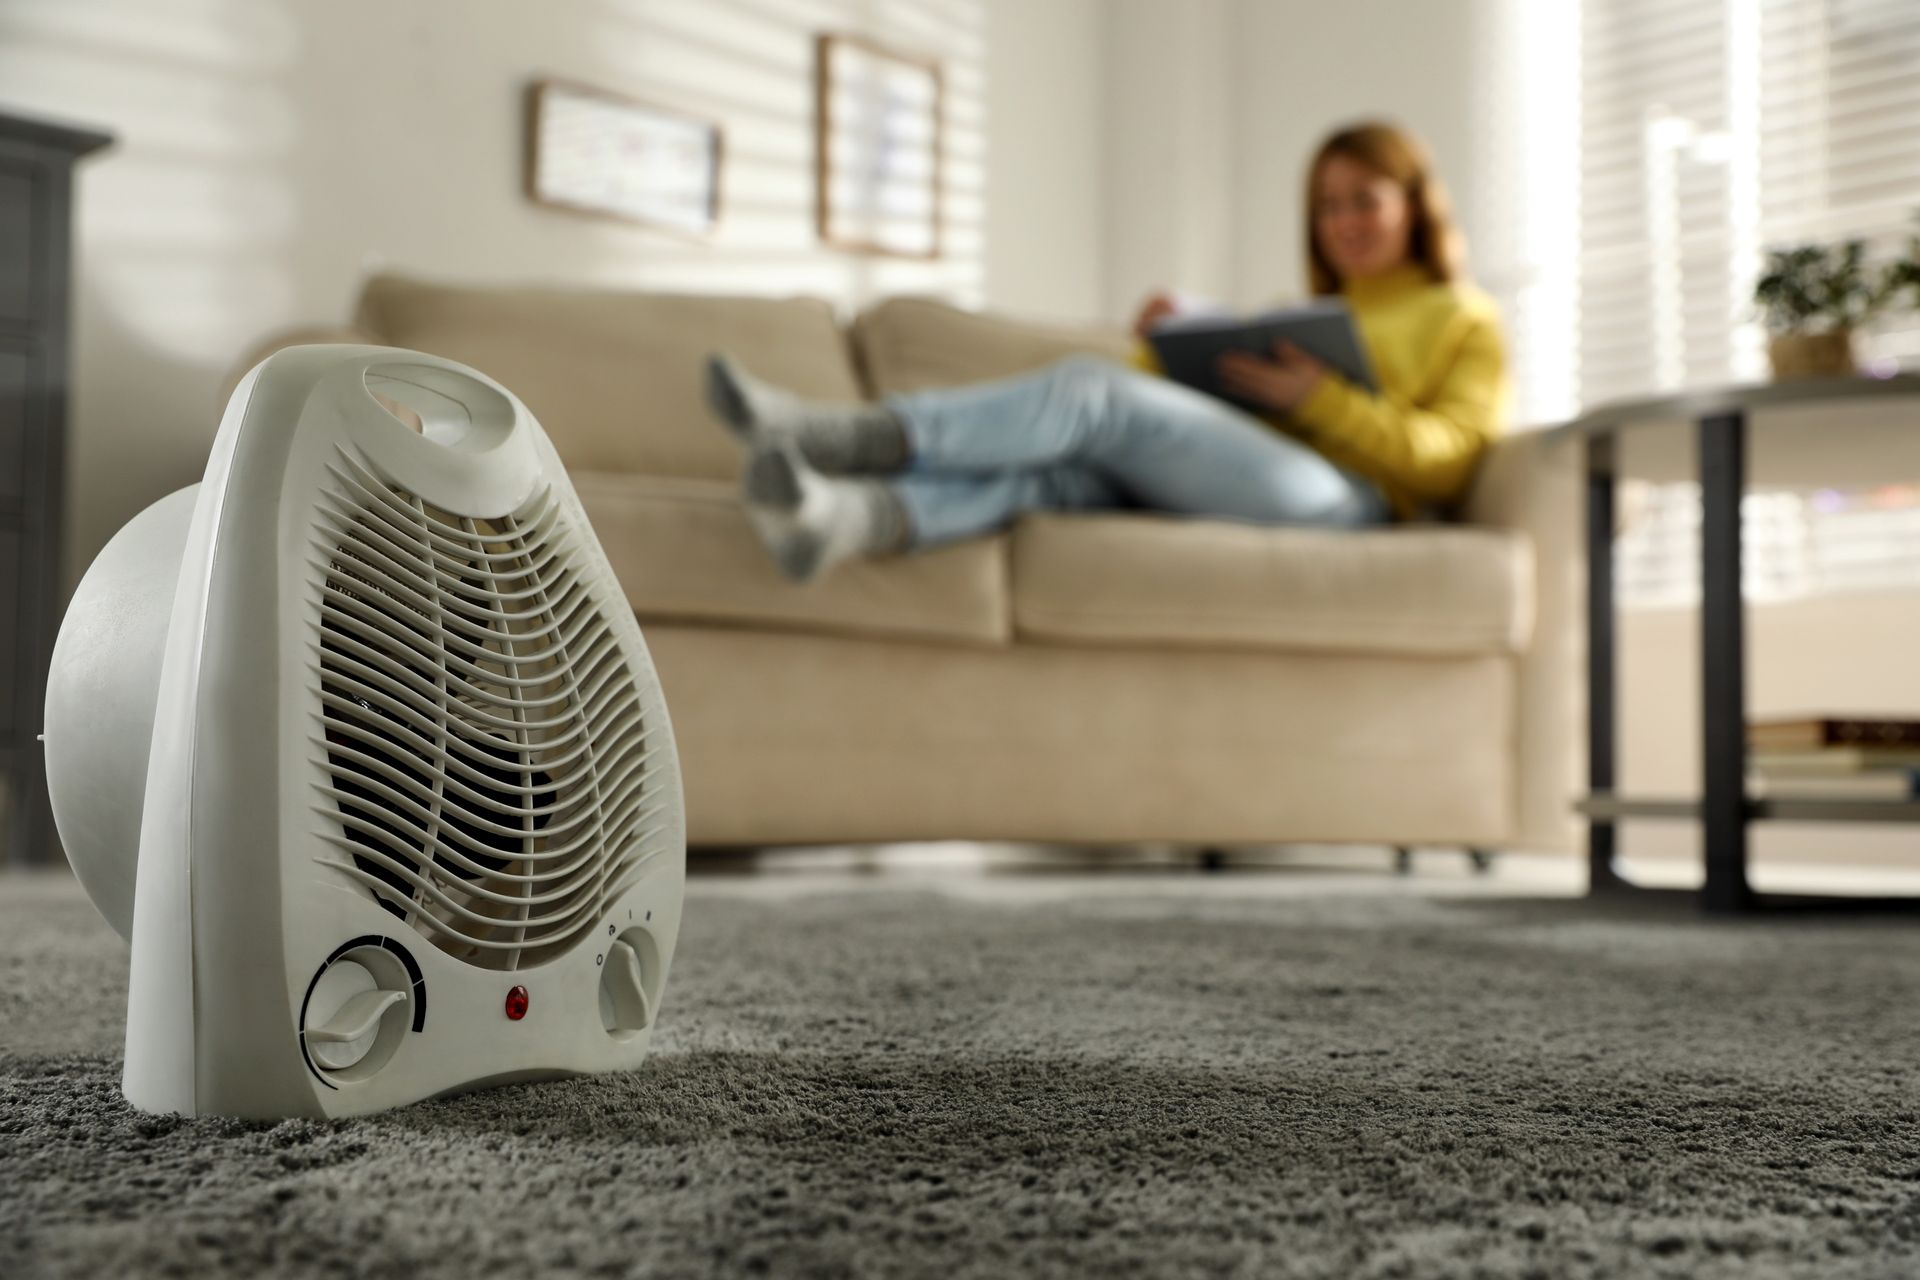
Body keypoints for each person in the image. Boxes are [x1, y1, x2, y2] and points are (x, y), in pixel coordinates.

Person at [703, 120, 1511, 582]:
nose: (1343, 221)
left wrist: (1321, 400)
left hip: (1350, 501)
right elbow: (1196, 414)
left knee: (1089, 393)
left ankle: (833, 435)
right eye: (1328, 205)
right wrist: (1168, 348)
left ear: (1415, 204)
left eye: (1364, 200)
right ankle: (845, 518)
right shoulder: (1298, 316)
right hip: (1250, 469)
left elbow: (1451, 462)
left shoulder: (1464, 316)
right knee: (1062, 476)